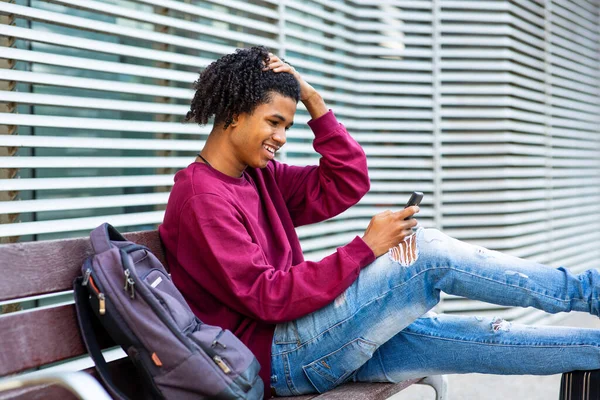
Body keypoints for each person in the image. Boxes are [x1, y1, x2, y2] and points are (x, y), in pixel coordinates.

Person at [159, 46, 600, 399]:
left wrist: (314, 100)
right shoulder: (201, 197)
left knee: (470, 335)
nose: (281, 137)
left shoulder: (257, 177)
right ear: (234, 111)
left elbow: (346, 181)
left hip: (306, 341)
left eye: (289, 125)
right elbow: (269, 297)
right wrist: (366, 248)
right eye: (274, 122)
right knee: (423, 254)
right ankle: (590, 291)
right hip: (279, 357)